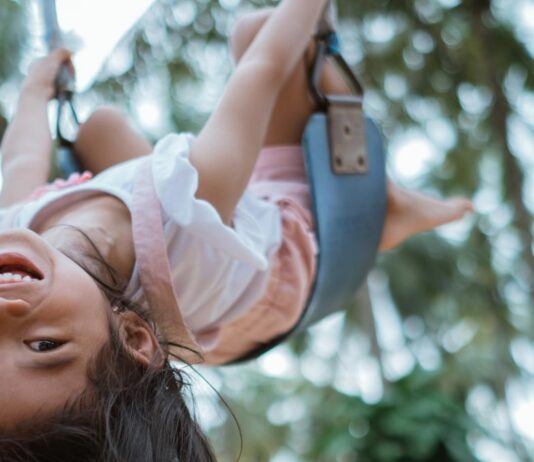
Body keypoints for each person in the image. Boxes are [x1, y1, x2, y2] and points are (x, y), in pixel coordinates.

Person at [0, 1, 472, 459]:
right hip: (278, 269)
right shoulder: (187, 204)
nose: (5, 310)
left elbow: (20, 159)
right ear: (132, 335)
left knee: (97, 128)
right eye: (44, 346)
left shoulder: (14, 231)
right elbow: (262, 70)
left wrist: (35, 89)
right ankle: (386, 210)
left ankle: (393, 205)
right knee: (256, 32)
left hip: (196, 292)